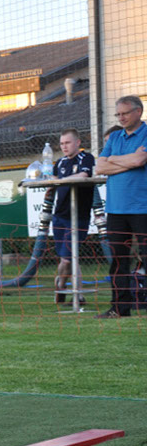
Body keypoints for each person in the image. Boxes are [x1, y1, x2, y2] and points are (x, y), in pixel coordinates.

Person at [94, 95, 147, 318]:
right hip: (116, 209)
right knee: (118, 262)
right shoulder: (115, 136)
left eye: (125, 113)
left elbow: (139, 161)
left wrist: (114, 159)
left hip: (142, 208)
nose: (121, 117)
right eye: (118, 114)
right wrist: (128, 160)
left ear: (138, 111)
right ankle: (119, 308)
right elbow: (99, 166)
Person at [51, 129, 96, 305]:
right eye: (62, 144)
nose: (64, 147)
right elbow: (53, 179)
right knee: (68, 257)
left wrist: (63, 180)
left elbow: (84, 175)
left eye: (67, 143)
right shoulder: (60, 162)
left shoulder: (86, 158)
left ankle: (66, 288)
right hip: (60, 214)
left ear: (77, 143)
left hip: (78, 215)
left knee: (68, 257)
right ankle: (71, 290)